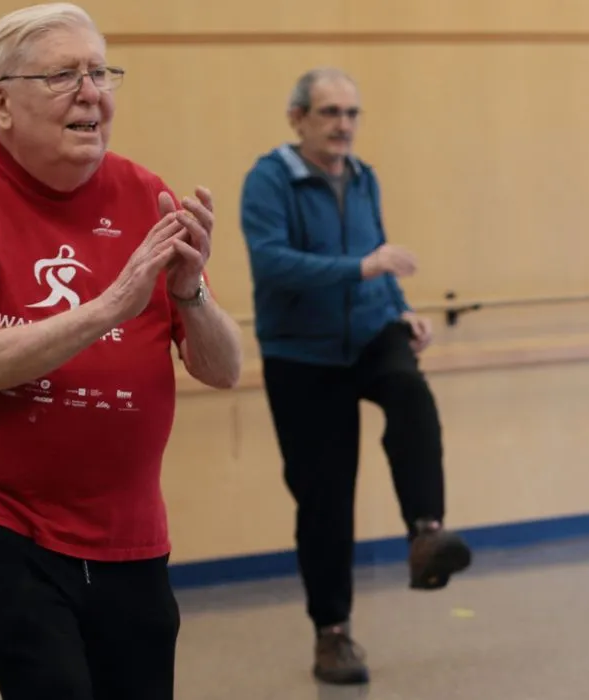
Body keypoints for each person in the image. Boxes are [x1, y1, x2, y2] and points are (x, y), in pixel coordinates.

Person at [0, 4, 245, 698]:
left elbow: (223, 368)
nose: (92, 92)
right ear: (1, 101)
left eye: (100, 72)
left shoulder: (148, 194)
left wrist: (188, 294)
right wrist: (114, 303)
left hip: (123, 524)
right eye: (63, 75)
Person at [238, 66, 472, 686]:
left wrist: (400, 309)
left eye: (351, 113)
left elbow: (379, 254)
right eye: (329, 113)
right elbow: (272, 263)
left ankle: (426, 531)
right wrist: (362, 267)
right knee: (325, 500)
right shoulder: (268, 180)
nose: (343, 126)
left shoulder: (364, 177)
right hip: (301, 355)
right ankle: (332, 635)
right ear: (298, 119)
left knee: (411, 394)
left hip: (371, 332)